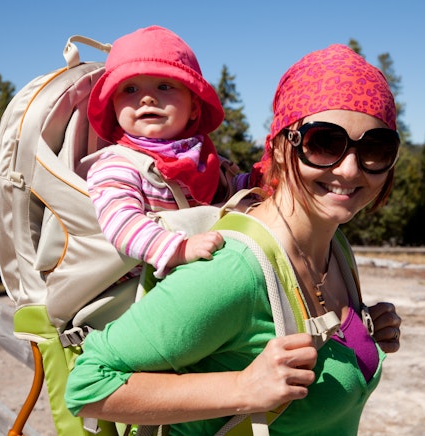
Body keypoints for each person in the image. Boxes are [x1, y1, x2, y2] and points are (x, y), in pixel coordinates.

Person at [65, 43, 402, 435]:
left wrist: (360, 331)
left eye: (375, 148)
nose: (349, 169)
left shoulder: (334, 247)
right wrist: (242, 388)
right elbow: (88, 386)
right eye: (324, 143)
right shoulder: (233, 270)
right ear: (279, 145)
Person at [86, 25, 228, 279]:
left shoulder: (201, 158)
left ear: (195, 107)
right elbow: (121, 222)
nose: (147, 98)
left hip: (197, 275)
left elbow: (224, 188)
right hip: (140, 288)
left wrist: (255, 185)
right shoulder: (117, 164)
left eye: (164, 86)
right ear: (113, 109)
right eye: (130, 89)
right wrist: (177, 250)